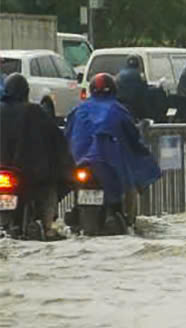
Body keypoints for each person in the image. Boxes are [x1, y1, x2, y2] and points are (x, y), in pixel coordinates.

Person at [66, 71, 160, 225]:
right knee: (130, 182)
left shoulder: (78, 110)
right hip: (109, 164)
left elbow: (67, 134)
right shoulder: (118, 110)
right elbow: (133, 136)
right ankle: (128, 220)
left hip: (80, 163)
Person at [0, 72, 74, 236]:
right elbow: (56, 139)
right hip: (30, 174)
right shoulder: (35, 112)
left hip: (10, 172)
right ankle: (48, 226)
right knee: (49, 188)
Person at [114, 54, 156, 121]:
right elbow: (144, 90)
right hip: (134, 106)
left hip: (121, 104)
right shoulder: (139, 75)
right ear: (138, 64)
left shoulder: (119, 75)